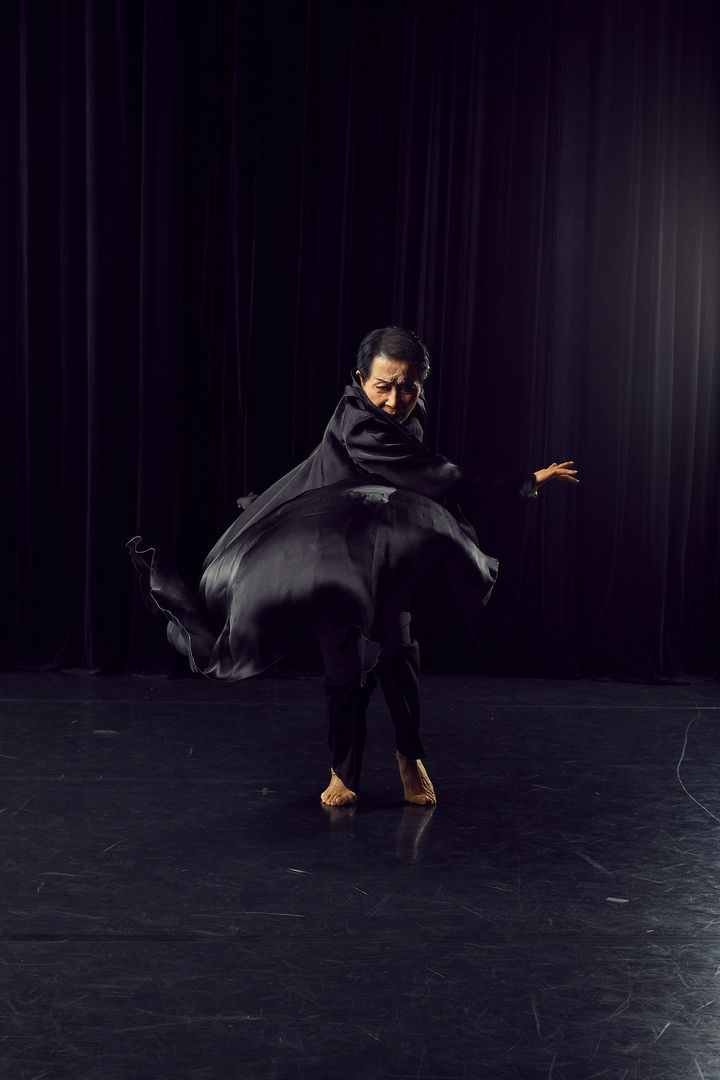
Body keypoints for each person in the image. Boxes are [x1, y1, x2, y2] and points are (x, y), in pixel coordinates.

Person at [128, 327, 578, 808]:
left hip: (379, 555)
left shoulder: (406, 412)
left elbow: (419, 477)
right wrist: (523, 481)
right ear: (360, 380)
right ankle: (343, 771)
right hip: (326, 555)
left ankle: (410, 756)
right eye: (382, 386)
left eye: (407, 388)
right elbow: (435, 476)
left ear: (420, 385)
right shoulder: (359, 424)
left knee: (399, 652)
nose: (394, 401)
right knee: (344, 664)